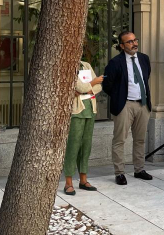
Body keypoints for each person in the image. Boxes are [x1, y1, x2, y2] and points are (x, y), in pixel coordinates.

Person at [102, 31, 154, 185]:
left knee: (140, 139)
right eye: (130, 42)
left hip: (143, 104)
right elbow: (107, 85)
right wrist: (119, 97)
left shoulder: (144, 59)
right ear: (122, 46)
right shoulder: (115, 62)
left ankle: (139, 169)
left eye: (135, 40)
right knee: (119, 140)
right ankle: (119, 173)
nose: (134, 44)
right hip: (125, 105)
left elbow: (146, 77)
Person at [63, 60, 104, 195]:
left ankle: (83, 179)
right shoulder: (67, 63)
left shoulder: (86, 64)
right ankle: (68, 182)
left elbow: (99, 88)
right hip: (76, 111)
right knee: (73, 145)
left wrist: (86, 87)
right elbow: (81, 87)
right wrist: (93, 82)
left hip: (90, 109)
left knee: (86, 145)